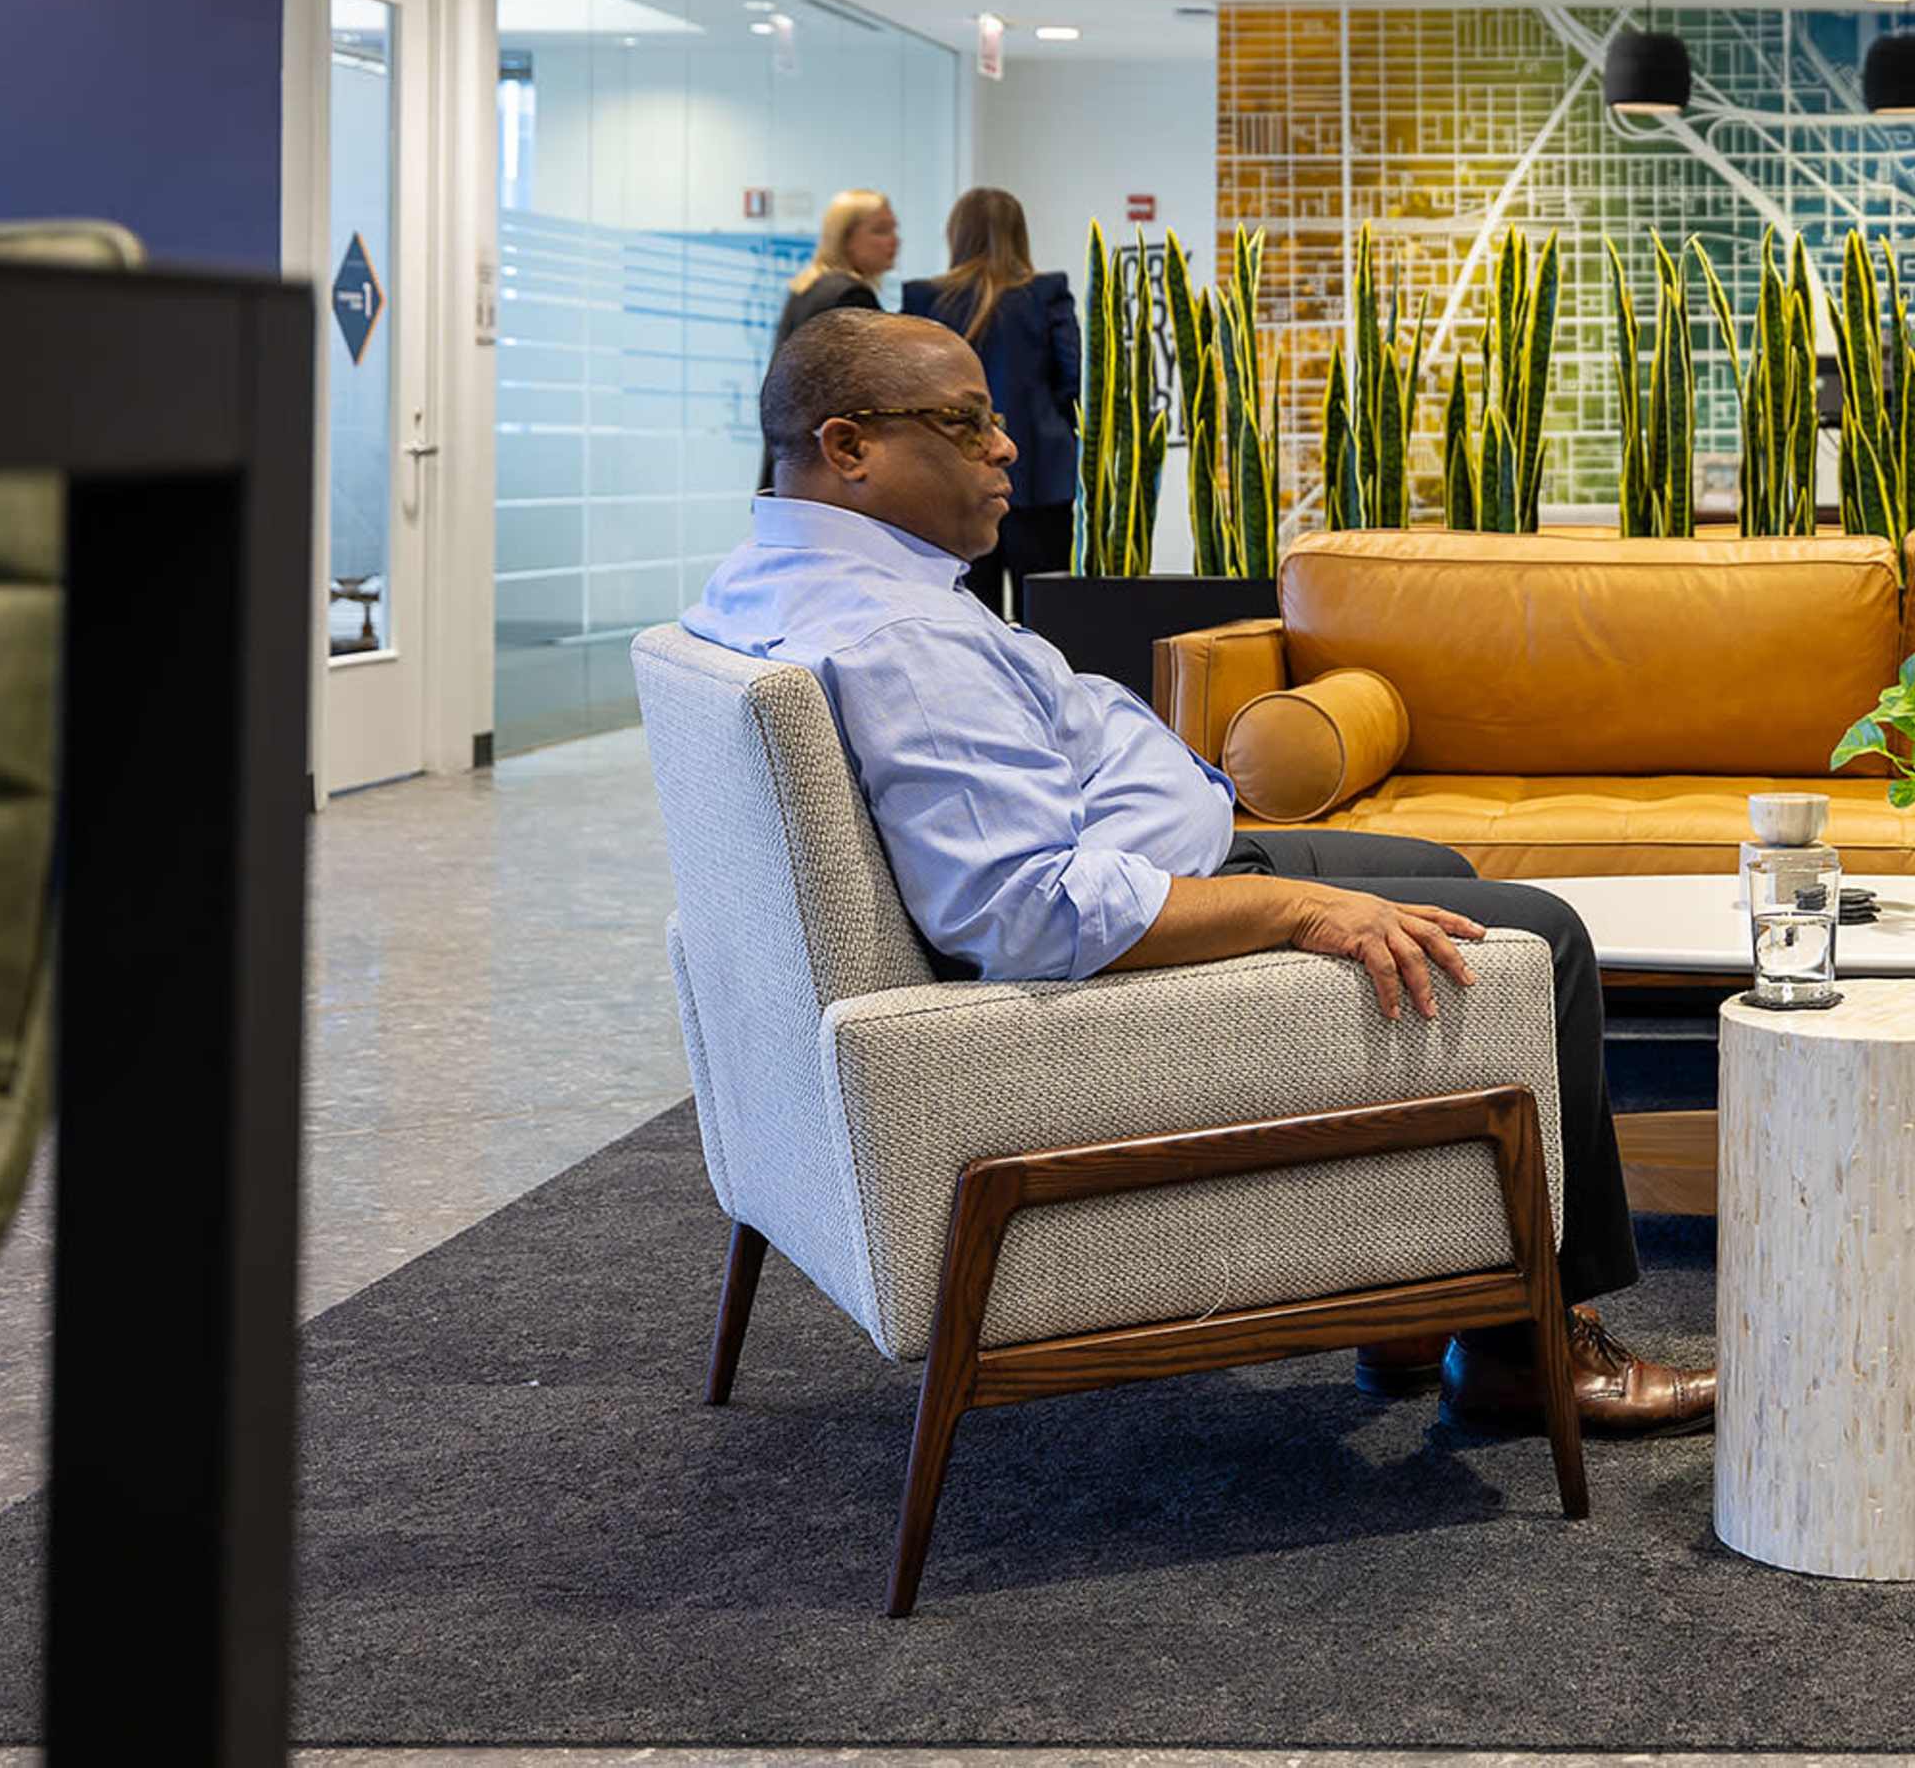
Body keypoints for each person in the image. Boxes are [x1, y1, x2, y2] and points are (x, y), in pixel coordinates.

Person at [682, 307, 1714, 1436]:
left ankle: (1431, 1286)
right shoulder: (900, 637)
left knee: (1434, 866)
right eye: (966, 422)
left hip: (1165, 863)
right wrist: (1288, 904)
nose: (1008, 446)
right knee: (1537, 937)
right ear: (849, 448)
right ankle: (1534, 1349)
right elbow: (1029, 912)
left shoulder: (774, 577)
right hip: (1120, 941)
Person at [901, 187, 1079, 619]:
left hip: (952, 473)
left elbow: (910, 387)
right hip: (1039, 474)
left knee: (965, 606)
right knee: (1044, 612)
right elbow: (1072, 379)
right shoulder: (1047, 293)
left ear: (956, 234)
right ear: (1020, 235)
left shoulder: (923, 298)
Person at [758, 188, 900, 494]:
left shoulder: (808, 287)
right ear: (845, 238)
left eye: (893, 229)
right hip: (826, 467)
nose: (894, 241)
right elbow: (865, 390)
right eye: (880, 231)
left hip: (793, 462)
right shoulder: (850, 295)